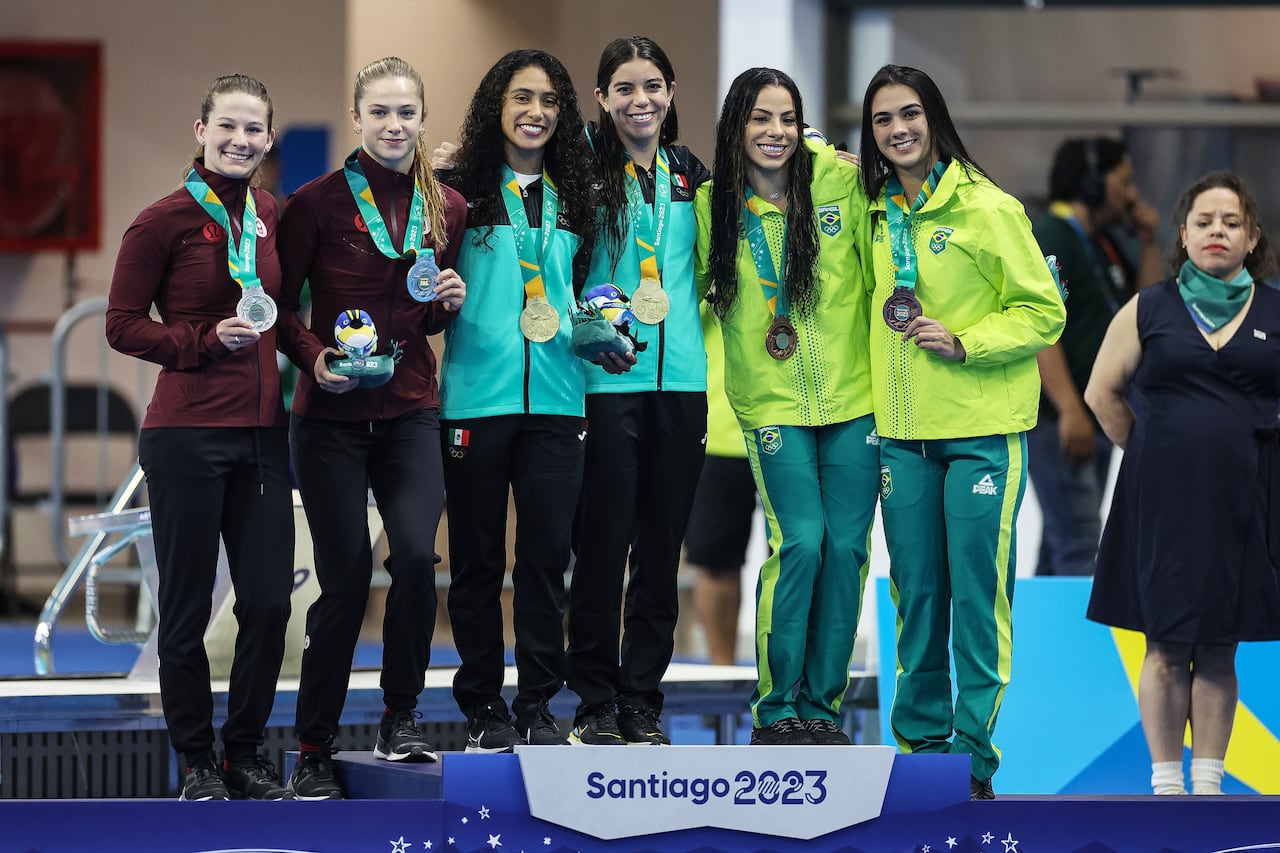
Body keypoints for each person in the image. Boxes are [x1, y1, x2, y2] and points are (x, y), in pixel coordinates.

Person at [859, 64, 1066, 799]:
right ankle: (922, 755)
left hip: (981, 433)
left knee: (977, 601)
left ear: (935, 118)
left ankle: (974, 762)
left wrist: (968, 340)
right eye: (883, 119)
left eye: (910, 113)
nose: (898, 129)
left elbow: (1044, 312)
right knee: (915, 598)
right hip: (904, 439)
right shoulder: (873, 211)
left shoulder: (989, 208)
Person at [275, 56, 468, 799]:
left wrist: (446, 302)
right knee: (346, 579)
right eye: (380, 113)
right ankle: (315, 745)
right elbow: (283, 306)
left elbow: (426, 314)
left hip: (411, 407)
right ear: (357, 118)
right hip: (328, 419)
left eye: (407, 113)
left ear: (423, 119)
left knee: (418, 560)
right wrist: (314, 356)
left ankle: (400, 714)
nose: (394, 126)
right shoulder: (316, 204)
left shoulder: (447, 206)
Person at [105, 73, 293, 801]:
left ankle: (243, 752)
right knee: (185, 608)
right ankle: (197, 761)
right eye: (228, 127)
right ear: (201, 130)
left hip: (263, 439)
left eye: (254, 130)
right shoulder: (162, 221)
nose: (241, 140)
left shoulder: (272, 214)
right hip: (185, 434)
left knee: (270, 603)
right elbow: (123, 323)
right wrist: (201, 338)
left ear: (269, 140)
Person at [695, 67, 880, 747]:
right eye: (759, 119)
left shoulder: (839, 182)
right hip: (771, 402)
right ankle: (776, 707)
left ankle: (822, 708)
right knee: (800, 540)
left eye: (786, 119)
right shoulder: (711, 205)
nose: (775, 133)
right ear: (735, 126)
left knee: (847, 548)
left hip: (855, 398)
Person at [1085, 171, 1280, 796]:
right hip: (1162, 502)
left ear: (1252, 238)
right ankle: (1167, 783)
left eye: (1230, 222)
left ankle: (1209, 784)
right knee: (1166, 643)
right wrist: (1152, 453)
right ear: (1184, 234)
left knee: (1220, 643)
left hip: (1248, 501)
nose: (1216, 231)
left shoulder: (1277, 311)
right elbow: (1101, 393)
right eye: (1204, 222)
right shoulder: (1149, 307)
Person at [437, 49, 598, 753]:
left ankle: (536, 701)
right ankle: (481, 703)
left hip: (560, 398)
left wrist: (604, 319)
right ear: (495, 107)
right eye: (521, 98)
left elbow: (594, 290)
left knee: (542, 558)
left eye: (550, 101)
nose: (536, 112)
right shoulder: (456, 190)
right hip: (476, 394)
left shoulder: (580, 195)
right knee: (475, 561)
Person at [564, 35, 710, 747]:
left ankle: (641, 699)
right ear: (601, 99)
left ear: (672, 93)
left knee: (660, 551)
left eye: (652, 85)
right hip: (602, 378)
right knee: (602, 543)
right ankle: (594, 698)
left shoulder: (692, 174)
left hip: (681, 382)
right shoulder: (580, 172)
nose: (640, 99)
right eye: (624, 88)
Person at [1029, 136, 1163, 576]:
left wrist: (1146, 242)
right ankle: (1079, 645)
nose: (1132, 196)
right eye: (1124, 183)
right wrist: (1071, 410)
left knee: (1062, 543)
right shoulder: (1051, 236)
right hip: (1060, 420)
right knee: (1080, 545)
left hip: (1093, 415)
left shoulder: (1102, 244)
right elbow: (1040, 332)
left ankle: (1039, 643)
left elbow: (1147, 311)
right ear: (1090, 184)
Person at [683, 306, 756, 667]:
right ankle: (722, 672)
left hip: (798, 423)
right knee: (715, 561)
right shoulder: (708, 249)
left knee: (802, 559)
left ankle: (790, 679)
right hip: (720, 426)